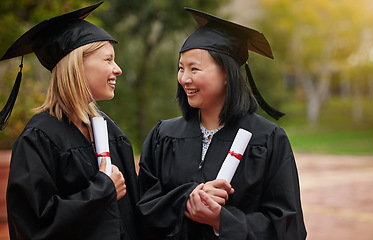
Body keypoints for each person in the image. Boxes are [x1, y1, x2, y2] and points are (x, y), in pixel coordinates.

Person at [137, 8, 307, 240]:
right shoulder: (163, 136)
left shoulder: (267, 139)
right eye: (181, 68)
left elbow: (288, 227)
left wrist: (222, 220)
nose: (184, 78)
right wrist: (187, 200)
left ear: (226, 73)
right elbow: (141, 208)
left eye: (194, 69)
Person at [0, 2, 139, 240]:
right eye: (108, 60)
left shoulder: (109, 131)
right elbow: (33, 226)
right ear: (77, 65)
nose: (118, 69)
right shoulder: (39, 137)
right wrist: (102, 191)